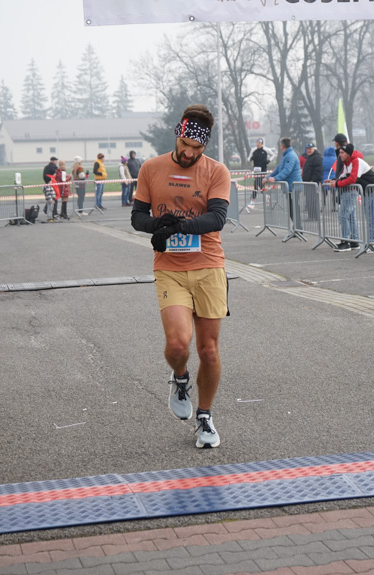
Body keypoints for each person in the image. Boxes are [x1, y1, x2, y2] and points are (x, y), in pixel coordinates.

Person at [130, 104, 230, 449]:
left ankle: (205, 418)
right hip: (170, 269)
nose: (189, 153)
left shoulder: (216, 171)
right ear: (178, 133)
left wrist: (179, 226)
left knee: (210, 350)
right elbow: (137, 217)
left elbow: (217, 218)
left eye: (197, 148)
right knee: (177, 345)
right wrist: (156, 226)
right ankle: (180, 377)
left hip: (209, 266)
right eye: (186, 143)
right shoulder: (151, 168)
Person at [326, 143, 374, 250]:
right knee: (371, 219)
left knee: (371, 220)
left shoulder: (356, 161)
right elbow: (343, 176)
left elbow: (352, 179)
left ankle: (371, 244)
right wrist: (334, 181)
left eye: (342, 153)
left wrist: (337, 184)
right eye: (339, 153)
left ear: (348, 154)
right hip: (366, 192)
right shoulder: (346, 163)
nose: (340, 155)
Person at [301, 142, 323, 220]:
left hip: (312, 183)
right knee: (309, 200)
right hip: (308, 182)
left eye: (310, 149)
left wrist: (313, 180)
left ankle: (314, 216)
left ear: (314, 149)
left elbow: (318, 171)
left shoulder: (317, 158)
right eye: (307, 149)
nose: (308, 151)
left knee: (313, 200)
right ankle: (311, 216)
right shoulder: (310, 157)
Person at [248, 138, 269, 208]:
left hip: (262, 170)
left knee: (256, 184)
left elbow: (272, 155)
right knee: (259, 184)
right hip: (256, 170)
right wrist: (250, 159)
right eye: (257, 143)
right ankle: (266, 196)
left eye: (259, 143)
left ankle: (252, 201)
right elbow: (249, 158)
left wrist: (269, 160)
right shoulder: (254, 151)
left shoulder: (265, 151)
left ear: (262, 144)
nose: (258, 144)